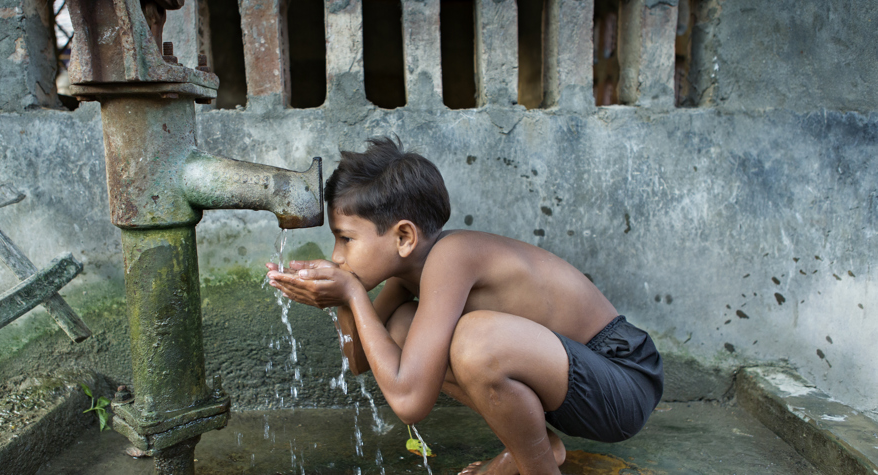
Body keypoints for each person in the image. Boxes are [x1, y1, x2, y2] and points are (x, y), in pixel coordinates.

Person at [266, 137, 663, 475]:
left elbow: (409, 402)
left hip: (622, 379)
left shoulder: (453, 256)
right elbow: (360, 360)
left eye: (346, 239)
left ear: (404, 237)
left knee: (475, 341)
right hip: (569, 384)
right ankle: (539, 447)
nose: (337, 256)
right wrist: (341, 298)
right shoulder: (409, 272)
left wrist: (353, 294)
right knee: (401, 326)